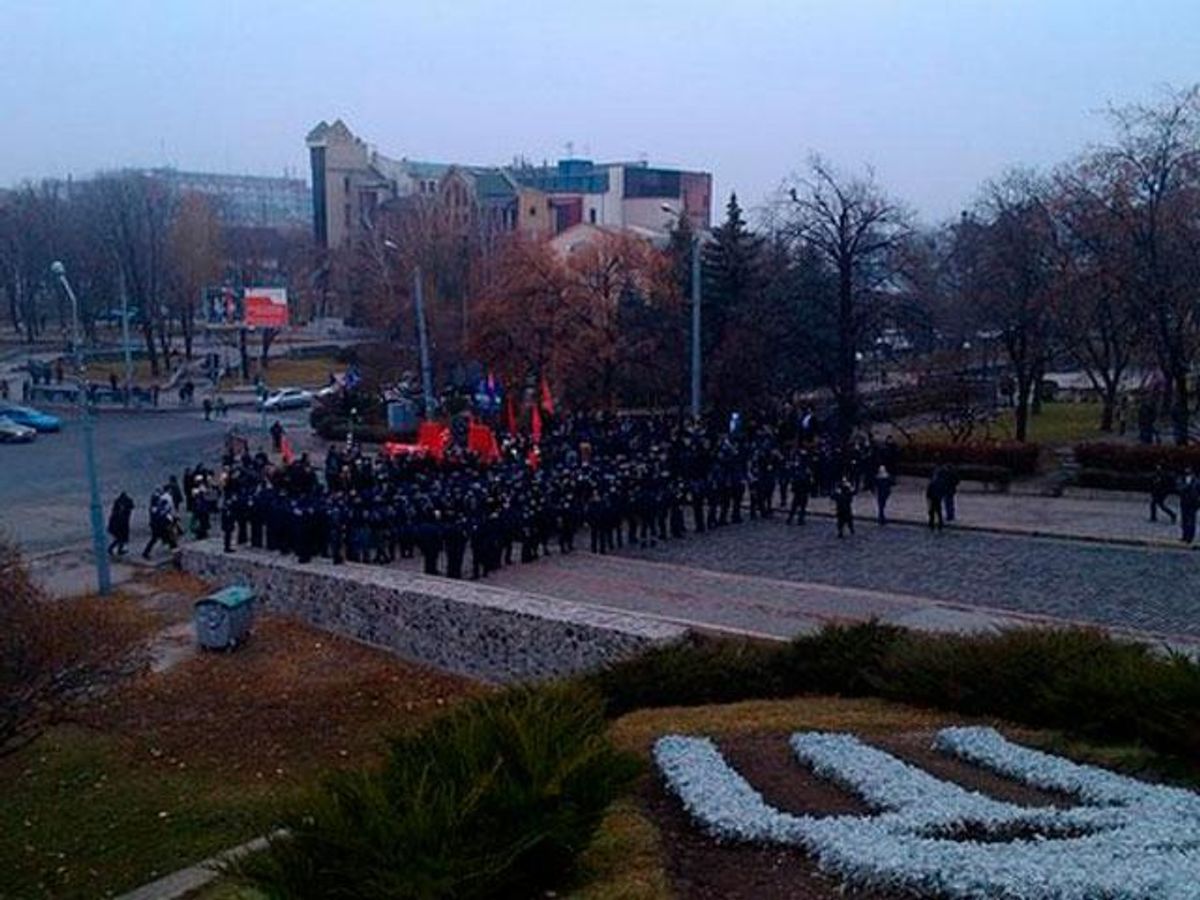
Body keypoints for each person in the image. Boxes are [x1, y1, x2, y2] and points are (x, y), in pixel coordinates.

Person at [107, 491, 134, 555]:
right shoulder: (124, 511)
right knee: (120, 538)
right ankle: (112, 549)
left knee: (120, 538)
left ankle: (117, 549)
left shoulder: (117, 507)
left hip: (117, 524)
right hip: (121, 525)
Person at [1179, 469, 1199, 545]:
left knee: (1191, 521)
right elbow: (1179, 488)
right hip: (1184, 502)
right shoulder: (1182, 480)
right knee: (1184, 520)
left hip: (1193, 503)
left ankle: (1190, 537)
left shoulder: (1197, 482)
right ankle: (1185, 536)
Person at [926, 467, 945, 532]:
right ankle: (940, 524)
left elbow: (929, 491)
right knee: (938, 511)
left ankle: (932, 524)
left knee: (932, 512)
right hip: (937, 498)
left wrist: (928, 497)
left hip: (933, 498)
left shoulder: (933, 482)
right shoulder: (940, 482)